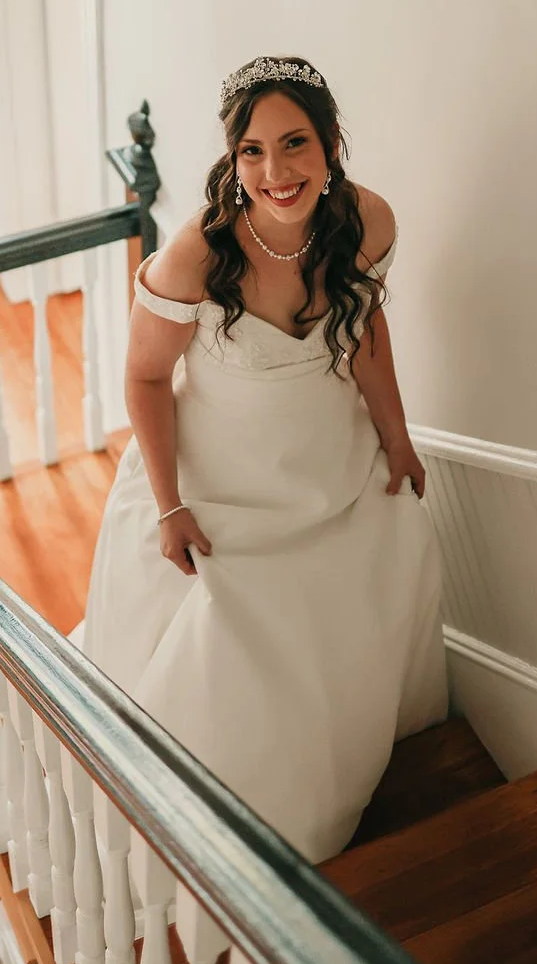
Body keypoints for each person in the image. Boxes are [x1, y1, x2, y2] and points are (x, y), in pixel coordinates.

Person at [81, 55, 447, 862]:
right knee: (237, 643)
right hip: (217, 484)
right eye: (252, 151)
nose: (275, 172)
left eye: (295, 144)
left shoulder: (367, 223)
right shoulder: (197, 258)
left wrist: (396, 434)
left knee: (365, 580)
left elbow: (365, 333)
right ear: (232, 157)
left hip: (328, 464)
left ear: (331, 144)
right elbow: (145, 376)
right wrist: (170, 507)